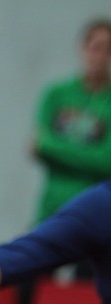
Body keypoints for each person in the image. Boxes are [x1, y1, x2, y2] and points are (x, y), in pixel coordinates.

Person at [32, 19, 111, 226]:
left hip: (95, 214)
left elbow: (107, 161)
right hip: (52, 209)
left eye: (108, 50)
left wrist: (56, 149)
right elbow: (38, 145)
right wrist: (90, 157)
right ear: (83, 48)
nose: (100, 56)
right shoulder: (57, 94)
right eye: (95, 47)